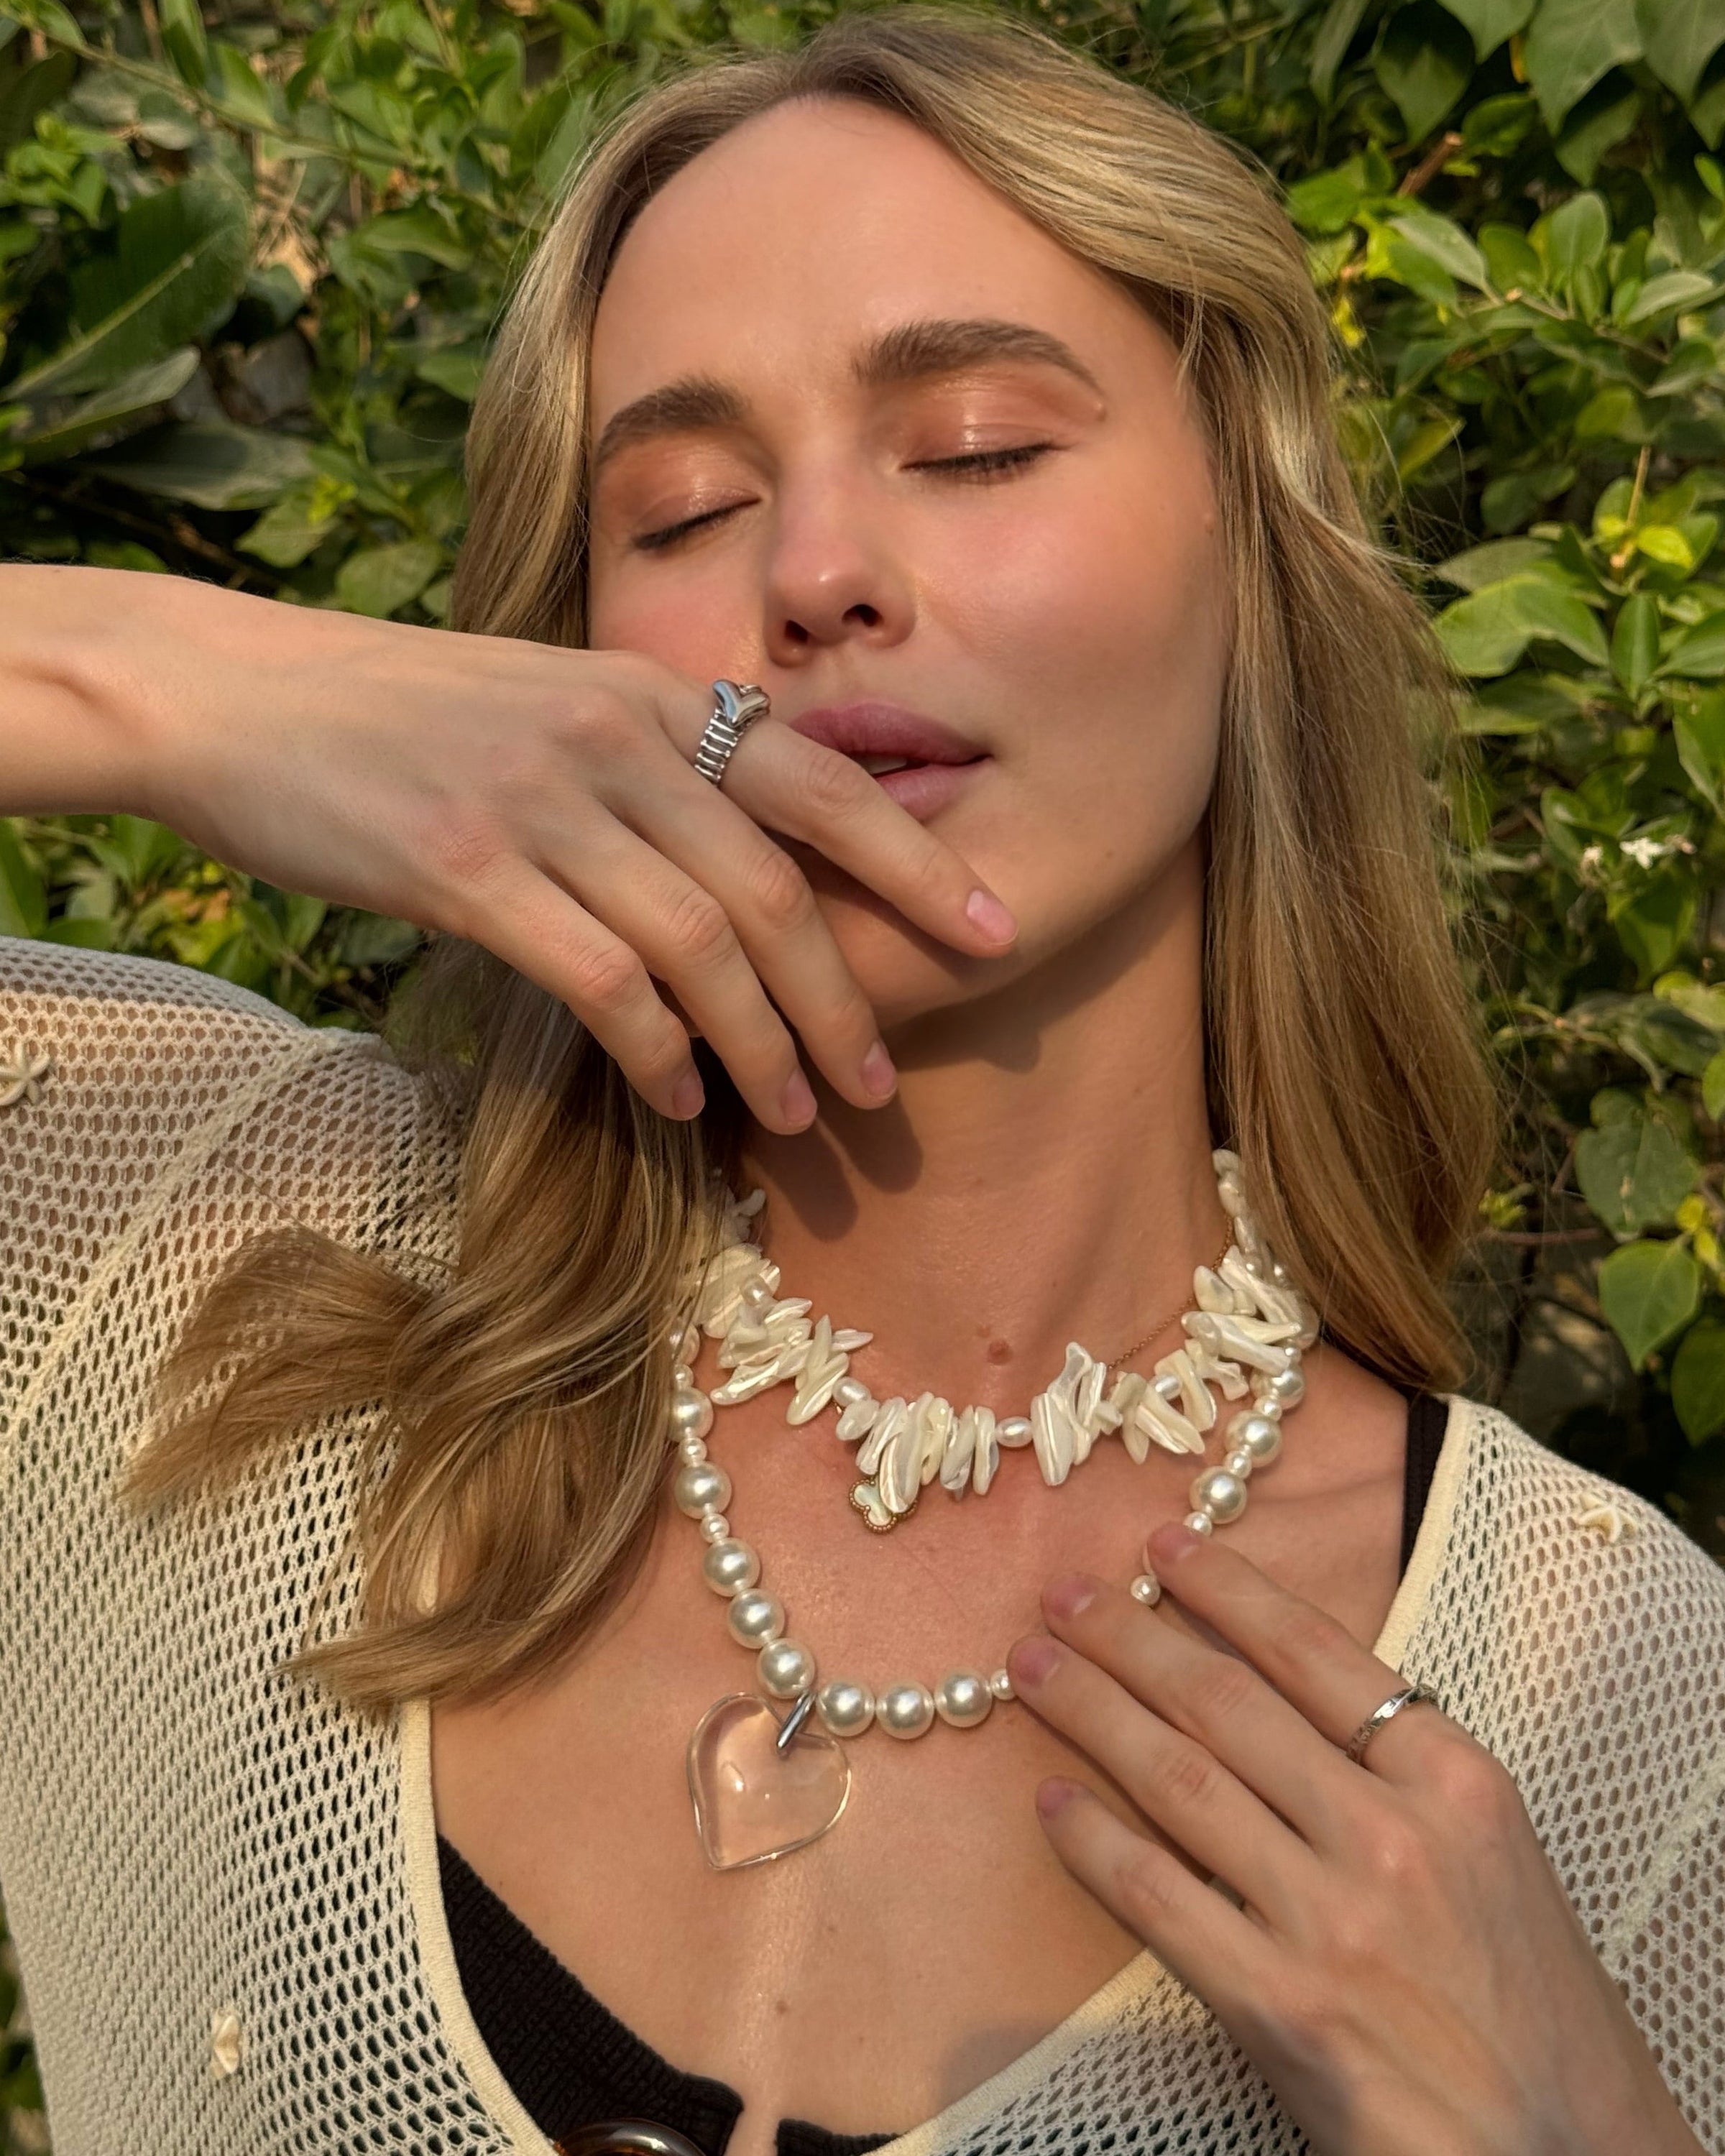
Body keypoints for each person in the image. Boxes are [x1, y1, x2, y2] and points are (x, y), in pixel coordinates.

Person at [0, 11, 1719, 2156]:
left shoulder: (1616, 1698)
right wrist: (165, 684)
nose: (814, 573)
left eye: (978, 446)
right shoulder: (164, 1259)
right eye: (684, 507)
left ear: (1255, 560)